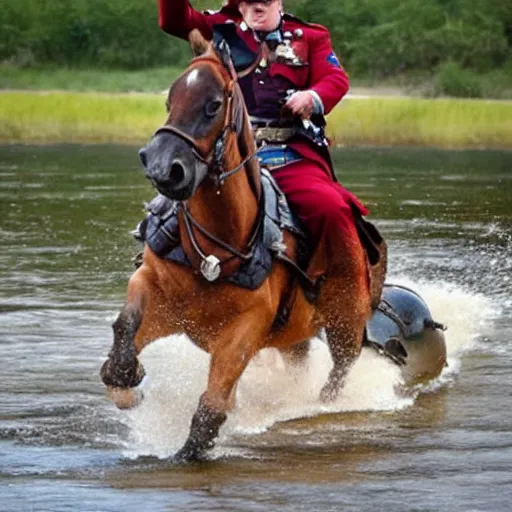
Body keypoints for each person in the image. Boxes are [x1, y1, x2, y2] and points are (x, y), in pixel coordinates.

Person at [156, 0, 381, 284]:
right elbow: (173, 20)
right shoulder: (221, 29)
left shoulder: (310, 36)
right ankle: (157, 276)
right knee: (164, 207)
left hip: (288, 155)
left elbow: (335, 78)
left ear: (278, 2)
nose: (255, 5)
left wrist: (311, 97)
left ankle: (335, 286)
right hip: (225, 154)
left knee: (331, 209)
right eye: (248, 0)